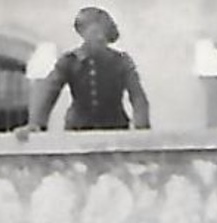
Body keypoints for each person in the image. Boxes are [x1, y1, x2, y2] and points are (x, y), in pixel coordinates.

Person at [21, 7, 150, 134]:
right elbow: (49, 90)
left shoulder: (121, 62)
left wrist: (141, 125)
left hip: (114, 129)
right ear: (83, 34)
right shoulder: (69, 61)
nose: (99, 38)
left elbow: (138, 96)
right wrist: (36, 123)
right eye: (93, 32)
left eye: (103, 33)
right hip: (78, 129)